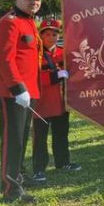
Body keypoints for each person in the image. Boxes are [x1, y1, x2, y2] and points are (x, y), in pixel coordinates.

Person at [0, 0, 44, 202]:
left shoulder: (28, 22)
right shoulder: (9, 23)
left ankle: (18, 176)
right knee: (13, 138)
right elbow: (4, 58)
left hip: (28, 90)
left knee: (21, 137)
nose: (34, 2)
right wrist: (17, 88)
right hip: (11, 91)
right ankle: (11, 190)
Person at [31, 20, 81, 184]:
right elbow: (32, 76)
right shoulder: (35, 54)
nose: (51, 37)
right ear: (41, 35)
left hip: (61, 102)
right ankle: (38, 169)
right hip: (42, 103)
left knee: (61, 134)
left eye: (54, 34)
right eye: (47, 34)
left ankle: (63, 162)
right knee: (40, 138)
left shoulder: (62, 52)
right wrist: (54, 76)